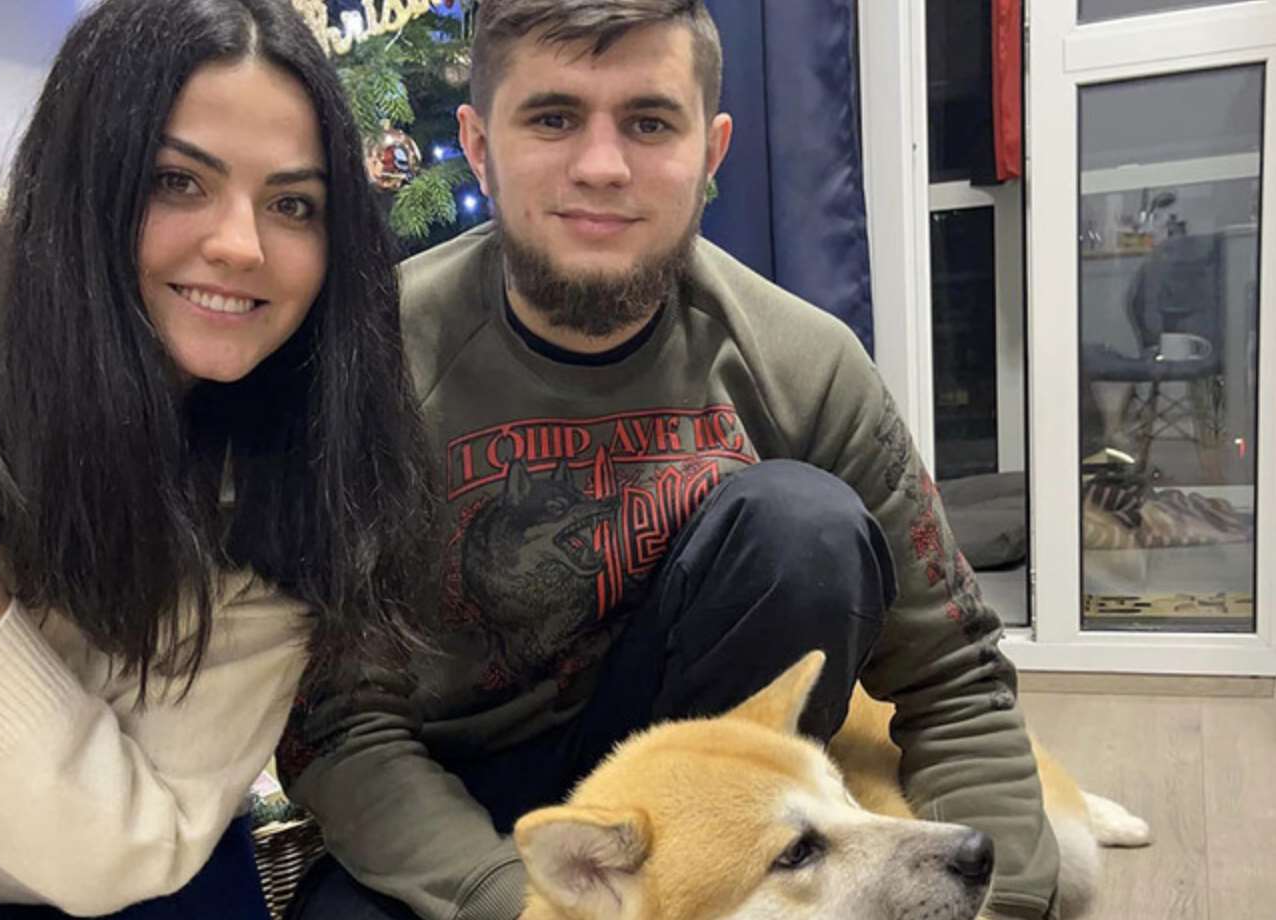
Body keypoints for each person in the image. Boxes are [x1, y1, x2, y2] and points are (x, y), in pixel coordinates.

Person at [282, 2, 1063, 920]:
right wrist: (515, 902)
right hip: (454, 798)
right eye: (552, 117)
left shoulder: (805, 365)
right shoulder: (369, 369)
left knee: (804, 528)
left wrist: (1010, 909)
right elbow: (339, 725)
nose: (602, 166)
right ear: (480, 147)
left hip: (715, 817)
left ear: (711, 152)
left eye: (650, 122)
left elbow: (956, 679)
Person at [0, 0, 434, 917]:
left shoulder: (305, 468)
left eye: (292, 204)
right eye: (177, 181)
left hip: (134, 871)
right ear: (84, 179)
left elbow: (134, 843)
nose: (241, 246)